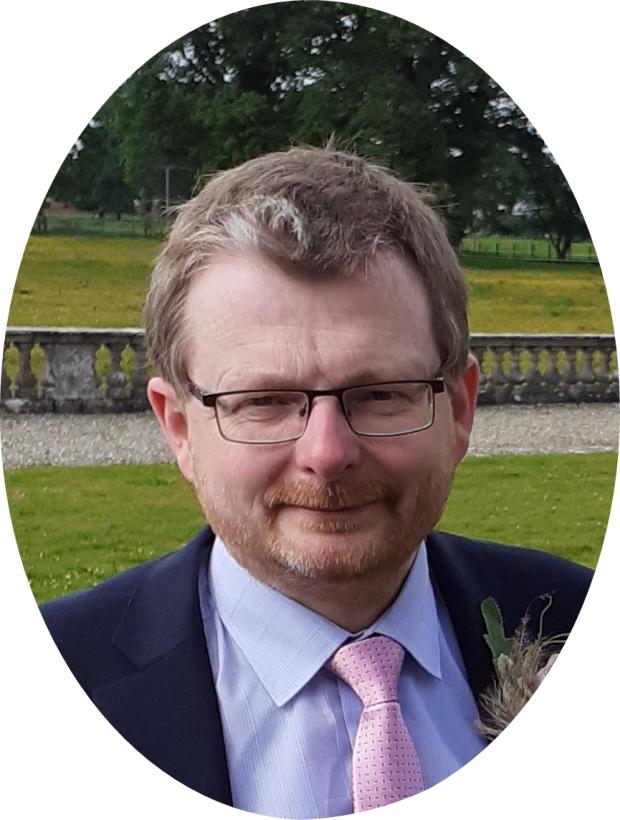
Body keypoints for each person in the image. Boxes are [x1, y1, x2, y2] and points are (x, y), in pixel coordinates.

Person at [41, 146, 592, 818]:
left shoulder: (582, 623)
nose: (327, 454)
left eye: (382, 394)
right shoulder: (44, 688)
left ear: (460, 410)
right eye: (263, 401)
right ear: (179, 429)